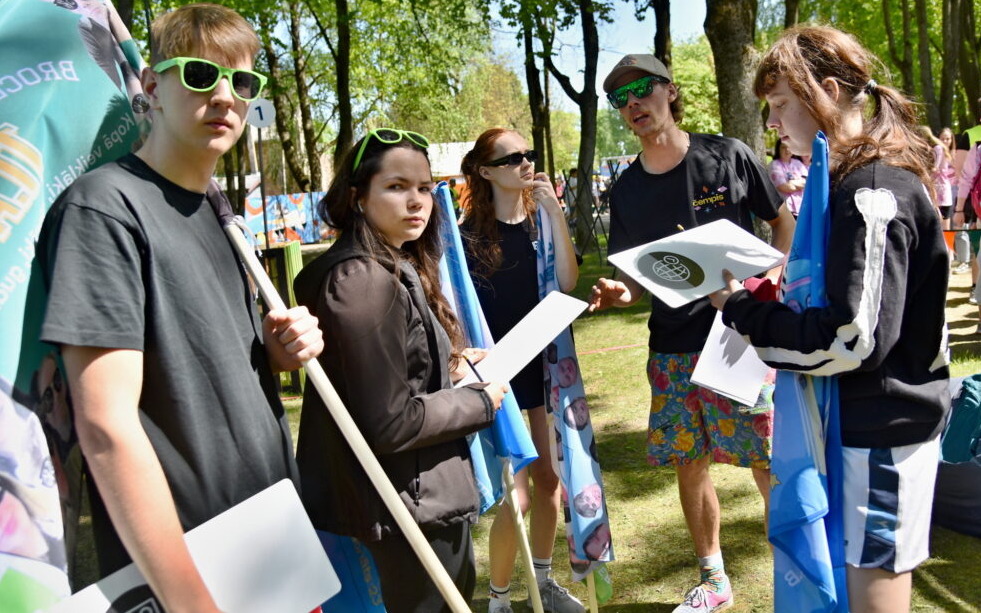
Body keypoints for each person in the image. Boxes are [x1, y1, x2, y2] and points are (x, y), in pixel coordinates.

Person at [36, 4, 324, 612]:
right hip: (193, 574)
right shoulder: (104, 209)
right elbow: (106, 426)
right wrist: (189, 599)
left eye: (241, 82)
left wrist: (274, 352)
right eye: (199, 74)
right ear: (151, 86)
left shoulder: (221, 216)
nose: (224, 96)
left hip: (274, 546)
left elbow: (202, 371)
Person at [710, 25, 951, 613]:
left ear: (830, 92)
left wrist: (743, 312)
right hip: (854, 424)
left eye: (780, 104)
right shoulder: (848, 181)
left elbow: (851, 339)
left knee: (873, 596)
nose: (772, 122)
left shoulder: (872, 190)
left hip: (882, 431)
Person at [589, 53, 795, 613]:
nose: (633, 103)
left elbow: (782, 223)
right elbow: (637, 279)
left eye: (642, 89)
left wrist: (768, 283)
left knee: (766, 458)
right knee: (690, 460)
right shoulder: (626, 190)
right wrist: (620, 294)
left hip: (739, 338)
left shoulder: (727, 155)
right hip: (672, 348)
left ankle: (797, 573)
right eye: (621, 98)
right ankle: (714, 580)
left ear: (670, 91)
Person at [293, 128, 507, 613]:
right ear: (357, 197)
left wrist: (452, 366)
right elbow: (390, 420)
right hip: (406, 504)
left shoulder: (390, 262)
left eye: (424, 187)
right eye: (396, 186)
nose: (416, 201)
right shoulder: (362, 280)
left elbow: (397, 373)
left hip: (421, 496)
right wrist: (478, 402)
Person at [458, 128, 583, 613]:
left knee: (551, 481)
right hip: (498, 374)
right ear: (485, 171)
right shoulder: (467, 237)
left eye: (528, 154)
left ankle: (543, 583)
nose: (526, 163)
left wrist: (555, 213)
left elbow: (568, 282)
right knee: (518, 497)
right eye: (512, 158)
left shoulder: (540, 225)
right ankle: (499, 600)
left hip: (544, 368)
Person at [953, 103, 981, 334]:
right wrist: (959, 210)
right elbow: (966, 180)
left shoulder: (978, 149)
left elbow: (966, 180)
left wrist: (960, 210)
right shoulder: (977, 149)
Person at [941, 127, 971, 273]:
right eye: (942, 138)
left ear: (952, 140)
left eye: (948, 138)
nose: (945, 141)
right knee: (946, 229)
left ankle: (964, 260)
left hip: (957, 191)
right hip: (942, 194)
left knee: (960, 227)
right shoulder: (936, 153)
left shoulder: (957, 153)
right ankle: (949, 257)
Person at [768, 138, 809, 217]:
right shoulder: (774, 165)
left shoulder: (798, 163)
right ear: (778, 149)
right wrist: (799, 183)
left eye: (789, 147)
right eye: (783, 147)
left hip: (801, 209)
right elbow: (783, 187)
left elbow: (808, 182)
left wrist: (791, 183)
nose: (787, 150)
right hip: (784, 210)